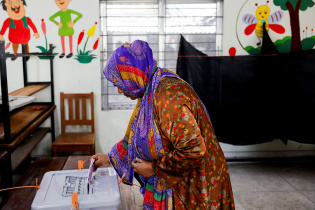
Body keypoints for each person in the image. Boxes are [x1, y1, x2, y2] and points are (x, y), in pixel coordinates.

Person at [92, 40, 235, 210]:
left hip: (197, 181)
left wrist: (155, 169)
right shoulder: (152, 86)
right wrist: (109, 158)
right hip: (179, 177)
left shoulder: (168, 97)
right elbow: (136, 136)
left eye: (119, 84)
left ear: (133, 77)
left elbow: (194, 149)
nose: (119, 91)